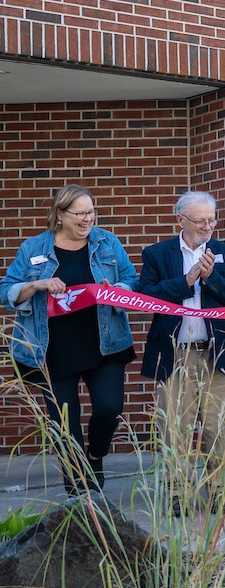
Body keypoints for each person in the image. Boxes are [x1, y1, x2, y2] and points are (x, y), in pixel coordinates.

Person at [1, 183, 137, 496]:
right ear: (60, 215)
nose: (87, 219)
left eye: (91, 212)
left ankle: (96, 455)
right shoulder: (34, 248)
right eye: (80, 213)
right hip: (51, 348)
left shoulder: (107, 243)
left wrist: (116, 291)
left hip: (105, 343)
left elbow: (131, 280)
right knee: (65, 423)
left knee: (108, 407)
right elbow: (6, 289)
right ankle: (79, 490)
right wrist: (37, 284)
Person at [137, 191, 225, 515]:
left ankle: (218, 492)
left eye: (211, 219)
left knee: (219, 427)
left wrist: (211, 278)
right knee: (174, 428)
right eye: (199, 220)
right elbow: (147, 296)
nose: (207, 226)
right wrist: (187, 281)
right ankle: (177, 495)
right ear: (180, 219)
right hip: (174, 354)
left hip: (219, 354)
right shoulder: (157, 254)